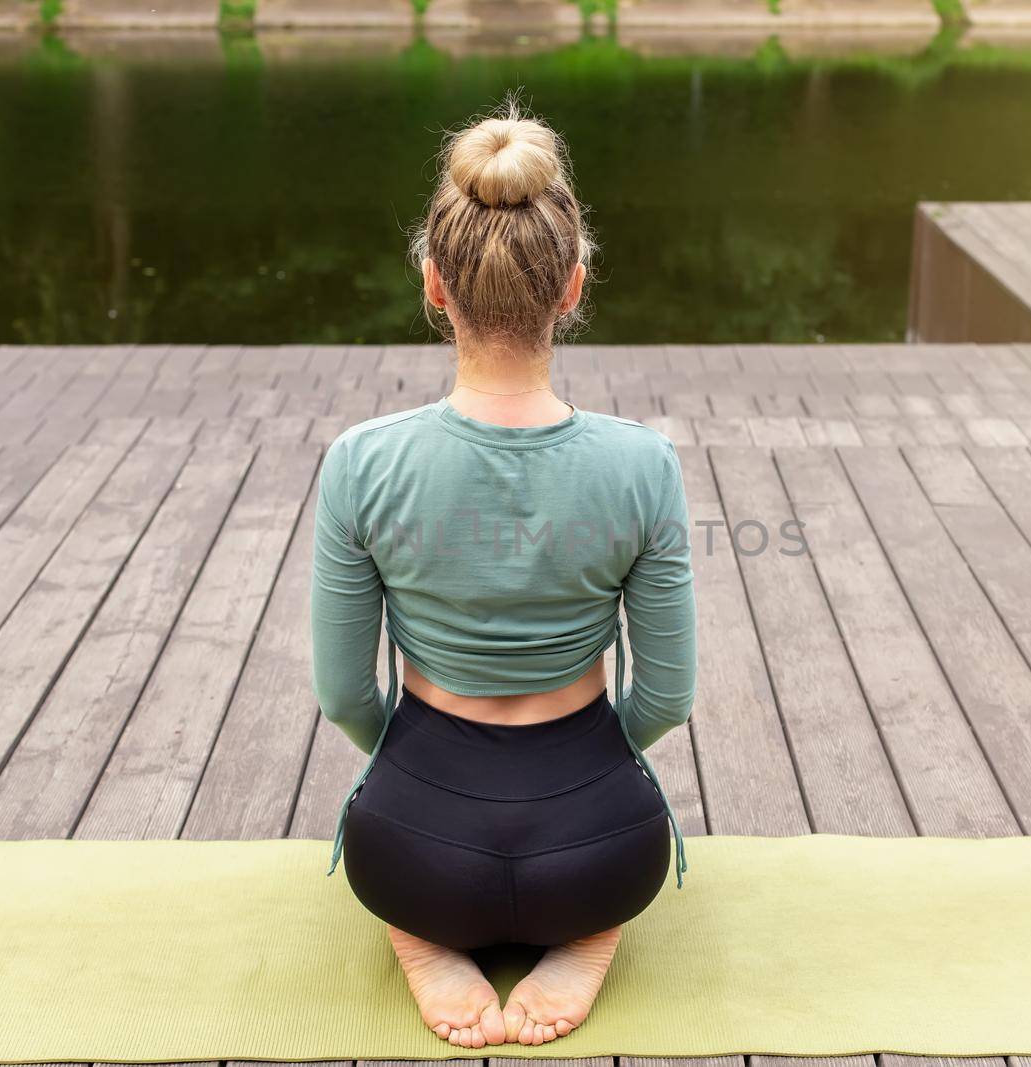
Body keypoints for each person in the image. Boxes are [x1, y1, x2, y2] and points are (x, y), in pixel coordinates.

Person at [310, 100, 698, 1049]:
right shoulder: (642, 464)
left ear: (436, 285)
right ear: (572, 285)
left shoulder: (362, 462)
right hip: (604, 848)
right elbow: (671, 695)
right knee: (602, 866)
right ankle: (585, 930)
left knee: (405, 862)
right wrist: (599, 756)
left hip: (412, 848)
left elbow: (341, 695)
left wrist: (415, 768)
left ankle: (426, 935)